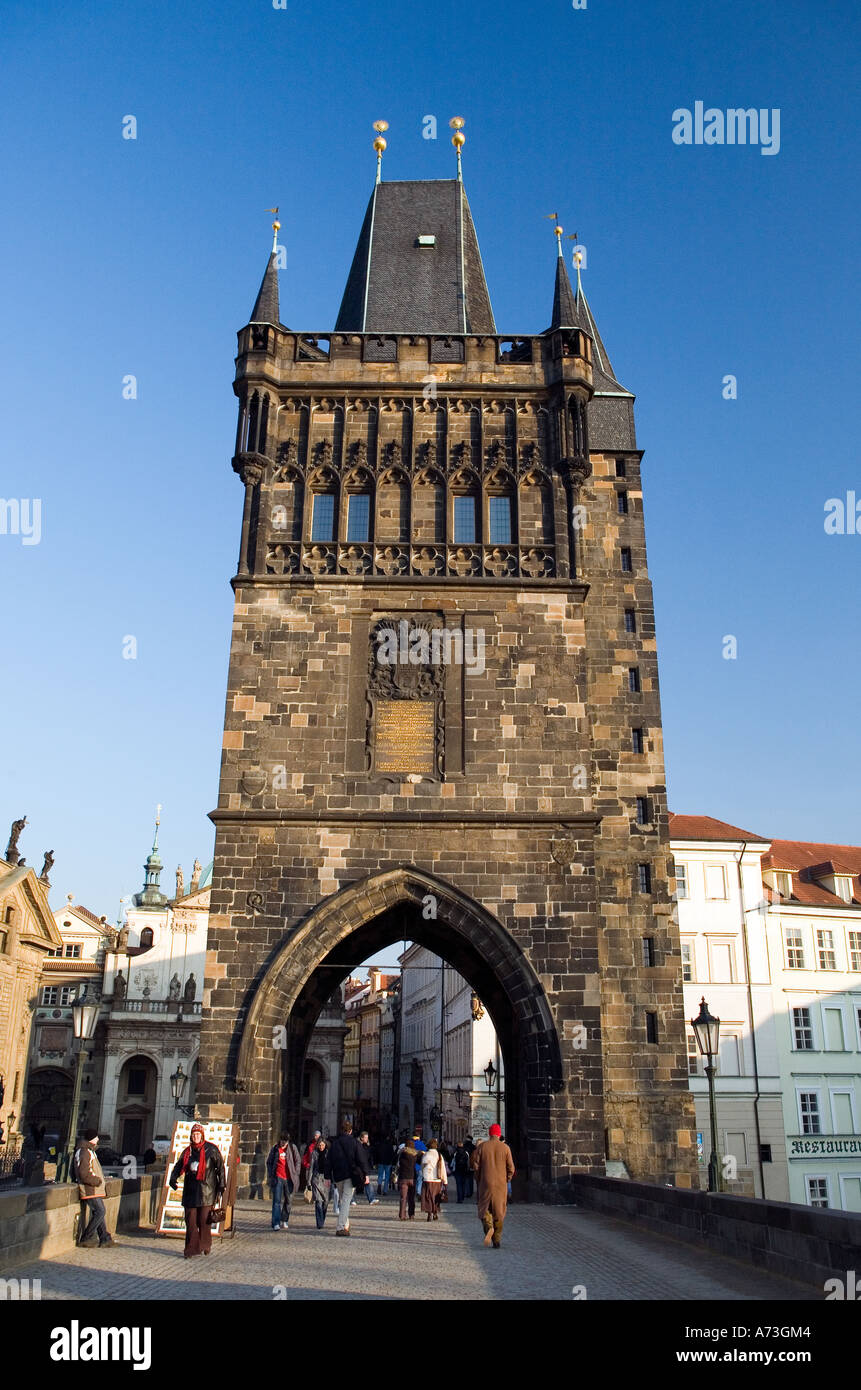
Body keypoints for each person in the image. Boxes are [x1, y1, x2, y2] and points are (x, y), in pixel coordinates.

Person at [169, 1123, 226, 1258]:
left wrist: (222, 1185)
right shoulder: (187, 1152)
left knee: (203, 1221)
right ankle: (191, 1249)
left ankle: (205, 1244)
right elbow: (178, 1166)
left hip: (207, 1191)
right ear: (191, 1136)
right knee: (191, 1222)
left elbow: (220, 1168)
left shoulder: (211, 1150)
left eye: (198, 1134)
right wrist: (173, 1178)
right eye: (194, 1134)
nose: (196, 1137)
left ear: (202, 1136)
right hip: (190, 1191)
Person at [471, 1123, 515, 1249]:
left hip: (485, 1183)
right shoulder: (505, 1148)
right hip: (500, 1185)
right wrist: (507, 1179)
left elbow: (476, 1166)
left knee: (484, 1208)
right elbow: (511, 1168)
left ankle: (488, 1227)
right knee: (499, 1212)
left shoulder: (482, 1147)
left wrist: (478, 1178)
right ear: (499, 1134)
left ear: (489, 1133)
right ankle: (497, 1239)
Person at [327, 1120, 371, 1236]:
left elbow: (329, 1160)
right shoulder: (354, 1143)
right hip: (351, 1175)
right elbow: (362, 1159)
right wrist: (366, 1174)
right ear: (351, 1131)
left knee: (344, 1200)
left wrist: (327, 1176)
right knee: (346, 1201)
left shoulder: (335, 1143)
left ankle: (345, 1224)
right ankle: (341, 1227)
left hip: (338, 1175)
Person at [76, 1128, 116, 1248]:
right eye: (97, 1137)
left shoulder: (89, 1151)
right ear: (92, 1139)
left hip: (93, 1189)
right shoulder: (84, 1152)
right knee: (100, 1211)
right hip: (90, 1188)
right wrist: (97, 1181)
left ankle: (104, 1238)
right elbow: (84, 1173)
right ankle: (86, 1237)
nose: (98, 1139)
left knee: (99, 1212)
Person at [266, 1133, 301, 1230]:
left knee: (288, 1200)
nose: (283, 1143)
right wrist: (270, 1173)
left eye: (284, 1142)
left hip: (289, 1178)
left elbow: (298, 1160)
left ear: (288, 1141)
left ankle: (284, 1219)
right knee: (276, 1201)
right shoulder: (275, 1148)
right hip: (278, 1177)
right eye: (281, 1141)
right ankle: (276, 1222)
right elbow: (269, 1162)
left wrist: (296, 1172)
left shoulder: (292, 1148)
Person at [420, 1138, 447, 1221]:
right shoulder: (439, 1155)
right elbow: (442, 1168)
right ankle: (435, 1212)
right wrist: (445, 1181)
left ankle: (429, 1214)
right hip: (436, 1180)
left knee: (428, 1197)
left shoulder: (425, 1155)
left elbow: (422, 1167)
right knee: (436, 1197)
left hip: (427, 1179)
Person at [309, 1137, 331, 1229]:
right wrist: (309, 1182)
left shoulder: (328, 1154)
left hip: (326, 1179)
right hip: (317, 1179)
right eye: (320, 1145)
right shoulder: (314, 1153)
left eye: (323, 1145)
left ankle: (322, 1218)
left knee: (325, 1202)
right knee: (318, 1201)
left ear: (325, 1145)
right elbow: (311, 1168)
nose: (321, 1147)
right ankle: (319, 1222)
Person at [396, 1136, 418, 1220]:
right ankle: (411, 1214)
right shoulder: (415, 1155)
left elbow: (397, 1164)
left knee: (403, 1198)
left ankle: (402, 1215)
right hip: (412, 1177)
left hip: (403, 1178)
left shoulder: (402, 1154)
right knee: (411, 1198)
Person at [358, 1132, 380, 1203]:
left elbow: (369, 1157)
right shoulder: (358, 1146)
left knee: (367, 1182)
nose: (367, 1139)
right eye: (365, 1137)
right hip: (358, 1167)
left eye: (367, 1138)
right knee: (354, 1184)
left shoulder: (367, 1146)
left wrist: (371, 1164)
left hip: (365, 1167)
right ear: (361, 1138)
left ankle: (371, 1199)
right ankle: (351, 1199)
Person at [375, 1133, 396, 1198]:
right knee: (387, 1176)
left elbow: (376, 1153)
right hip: (388, 1162)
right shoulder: (390, 1145)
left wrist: (376, 1161)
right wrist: (392, 1162)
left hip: (381, 1162)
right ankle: (385, 1190)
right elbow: (392, 1154)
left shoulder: (379, 1144)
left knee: (380, 1175)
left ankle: (379, 1184)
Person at [463, 1134, 476, 1199]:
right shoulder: (473, 1147)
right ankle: (470, 1192)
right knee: (471, 1179)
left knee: (465, 1179)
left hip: (465, 1165)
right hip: (472, 1165)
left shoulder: (464, 1146)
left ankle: (466, 1192)